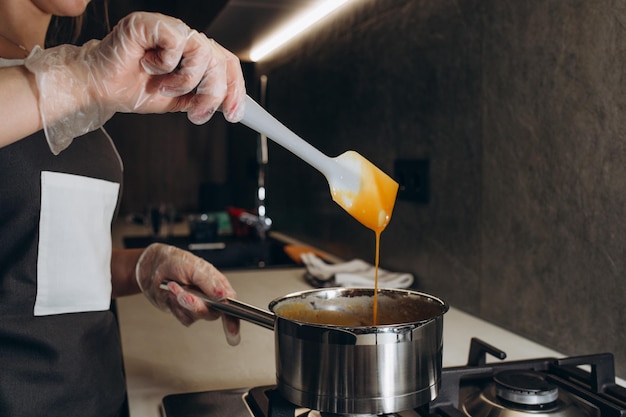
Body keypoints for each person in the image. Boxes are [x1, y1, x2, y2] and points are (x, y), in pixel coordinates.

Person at [0, 1, 246, 416]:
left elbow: (34, 260)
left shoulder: (66, 74)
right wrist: (83, 77)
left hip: (98, 392)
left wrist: (142, 267)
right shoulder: (75, 77)